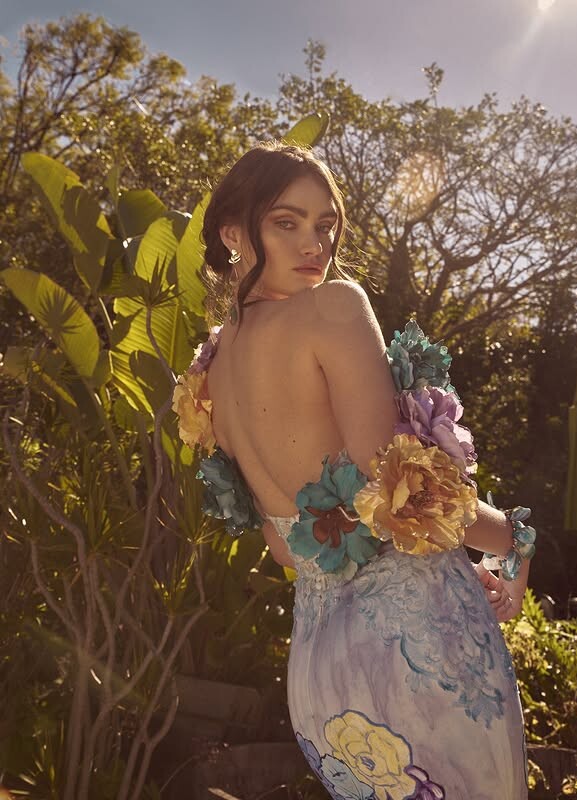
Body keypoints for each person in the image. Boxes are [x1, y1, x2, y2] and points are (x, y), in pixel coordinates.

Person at [173, 141, 533, 799]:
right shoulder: (333, 307)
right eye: (286, 222)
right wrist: (513, 536)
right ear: (232, 234)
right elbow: (396, 493)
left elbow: (285, 547)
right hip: (416, 649)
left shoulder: (210, 373)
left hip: (322, 675)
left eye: (325, 224)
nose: (314, 244)